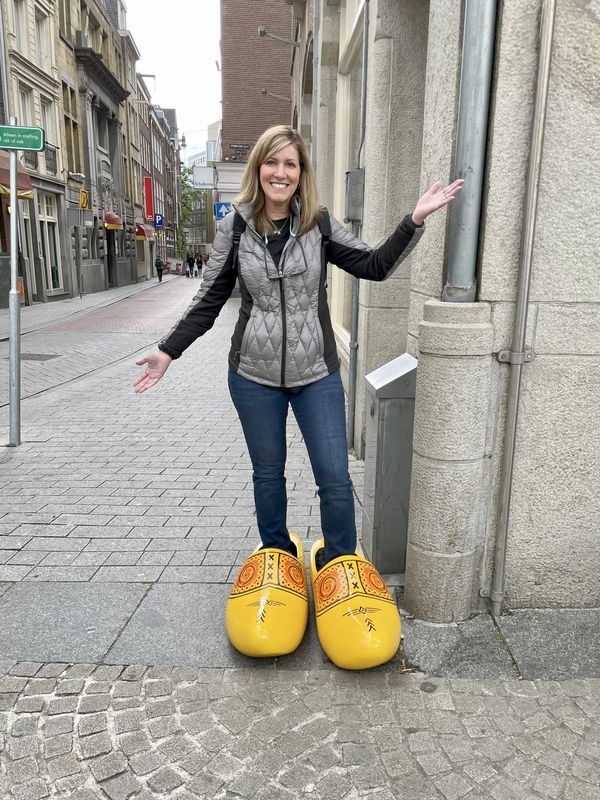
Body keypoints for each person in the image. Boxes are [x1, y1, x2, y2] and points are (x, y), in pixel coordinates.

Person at [133, 124, 463, 669]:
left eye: (291, 165)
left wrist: (414, 220)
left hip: (316, 373)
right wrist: (169, 350)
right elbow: (210, 297)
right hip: (254, 376)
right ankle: (277, 557)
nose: (281, 173)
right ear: (258, 170)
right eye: (272, 164)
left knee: (333, 476)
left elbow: (375, 266)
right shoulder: (236, 228)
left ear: (301, 173)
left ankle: (339, 565)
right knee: (268, 474)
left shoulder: (319, 224)